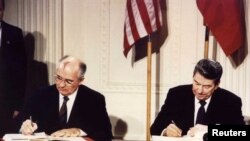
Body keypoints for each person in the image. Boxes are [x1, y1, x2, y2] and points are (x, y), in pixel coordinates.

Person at [18, 55, 113, 141]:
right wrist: (25, 127)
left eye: (68, 81)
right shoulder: (41, 94)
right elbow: (23, 120)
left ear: (81, 80)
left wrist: (79, 131)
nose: (61, 85)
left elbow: (106, 134)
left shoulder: (95, 99)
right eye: (58, 78)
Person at [150, 59, 245, 137]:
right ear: (193, 77)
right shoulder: (176, 95)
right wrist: (166, 131)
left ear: (216, 85)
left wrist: (210, 131)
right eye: (197, 83)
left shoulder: (231, 101)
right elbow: (154, 129)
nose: (199, 90)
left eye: (207, 86)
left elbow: (241, 133)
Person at [0, 0, 27, 137]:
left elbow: (21, 73)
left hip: (6, 103)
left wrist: (17, 105)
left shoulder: (14, 33)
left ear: (3, 10)